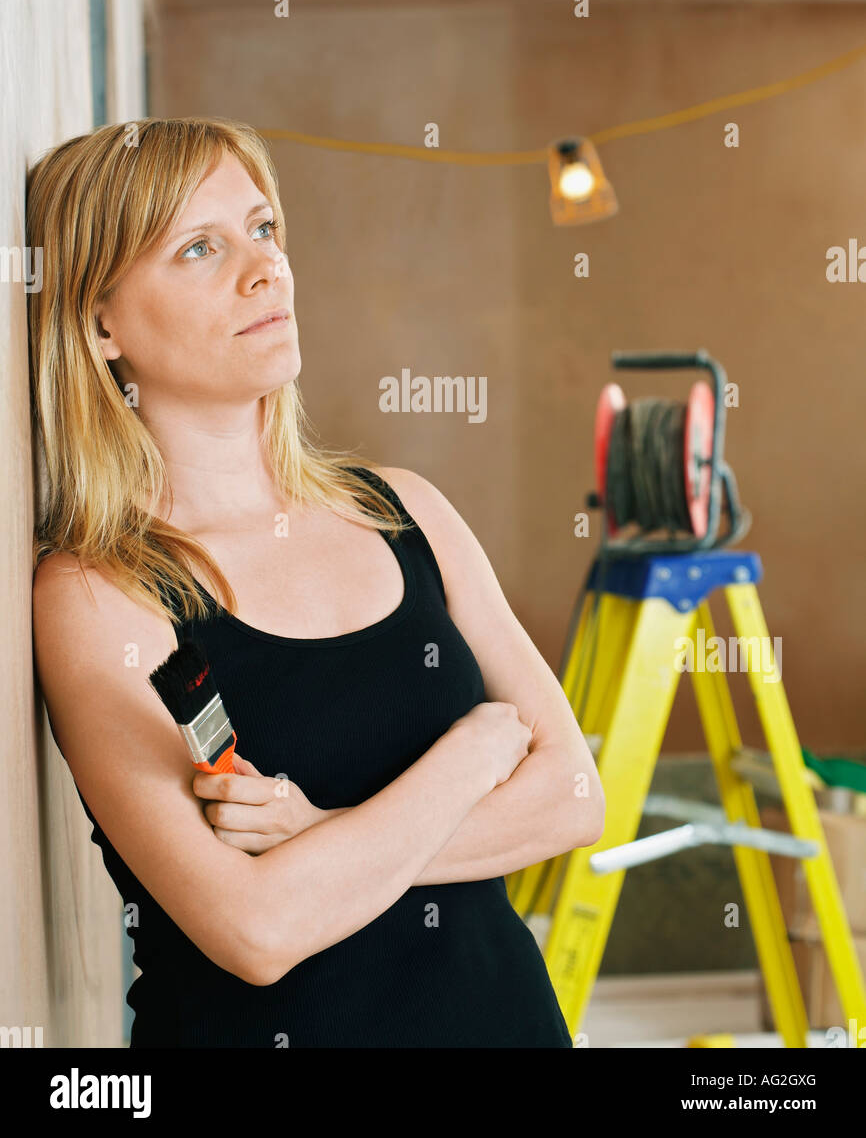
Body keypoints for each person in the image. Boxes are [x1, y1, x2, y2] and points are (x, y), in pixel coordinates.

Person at [27, 116, 604, 1048]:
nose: (265, 271)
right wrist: (476, 751)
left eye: (263, 230)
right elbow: (257, 930)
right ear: (101, 323)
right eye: (200, 248)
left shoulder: (404, 511)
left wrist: (318, 833)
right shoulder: (99, 594)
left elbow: (575, 797)